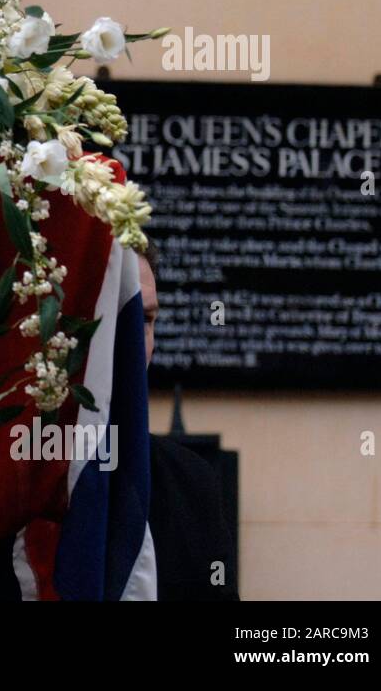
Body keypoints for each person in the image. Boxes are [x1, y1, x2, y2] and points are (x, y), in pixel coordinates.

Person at [140, 238, 240, 600]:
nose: (138, 341)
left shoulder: (191, 484)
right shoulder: (16, 474)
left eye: (146, 319)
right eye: (118, 318)